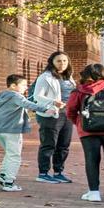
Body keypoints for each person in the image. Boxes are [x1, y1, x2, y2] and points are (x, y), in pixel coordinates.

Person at [0, 74, 56, 191]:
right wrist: (46, 109)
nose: (26, 87)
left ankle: (3, 175)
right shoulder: (15, 96)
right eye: (23, 85)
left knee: (10, 153)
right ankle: (9, 182)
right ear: (13, 85)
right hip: (12, 129)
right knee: (15, 155)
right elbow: (28, 104)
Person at [33, 51, 77, 182]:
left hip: (67, 114)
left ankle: (58, 172)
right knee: (49, 144)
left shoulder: (69, 77)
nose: (62, 63)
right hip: (51, 114)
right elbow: (37, 96)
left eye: (64, 61)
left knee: (64, 144)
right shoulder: (45, 77)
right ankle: (43, 174)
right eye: (58, 61)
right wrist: (53, 102)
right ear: (52, 62)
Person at [67, 62, 104, 202]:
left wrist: (79, 124)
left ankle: (94, 193)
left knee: (91, 159)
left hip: (88, 130)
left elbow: (70, 111)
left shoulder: (79, 90)